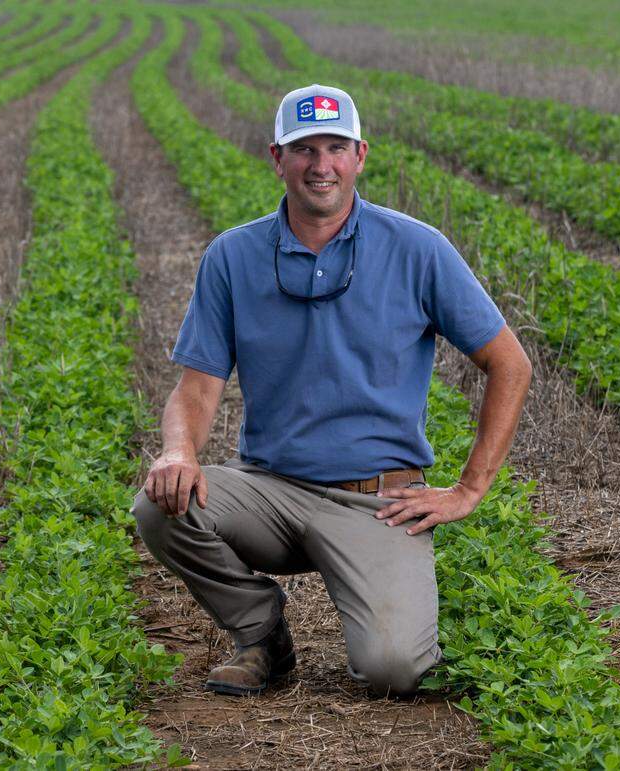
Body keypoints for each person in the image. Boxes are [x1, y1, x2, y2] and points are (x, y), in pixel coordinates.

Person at [131, 84, 532, 698]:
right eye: (305, 149)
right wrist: (179, 450)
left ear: (360, 155)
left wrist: (469, 489)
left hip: (378, 502)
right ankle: (262, 635)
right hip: (273, 488)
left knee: (394, 670)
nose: (322, 166)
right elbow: (197, 389)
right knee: (160, 504)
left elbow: (509, 364)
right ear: (277, 158)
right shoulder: (233, 256)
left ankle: (382, 612)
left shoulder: (417, 248)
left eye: (336, 148)